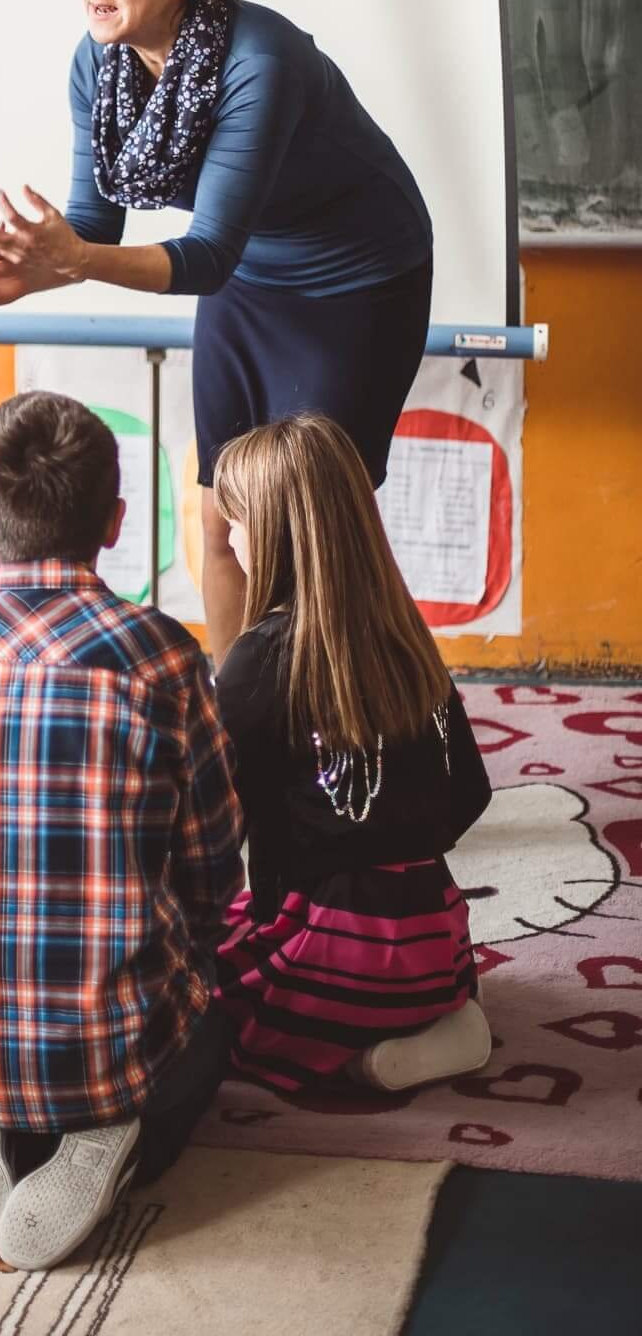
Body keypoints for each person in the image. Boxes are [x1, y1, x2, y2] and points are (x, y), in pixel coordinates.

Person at [0, 0, 434, 667]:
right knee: (217, 516)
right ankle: (236, 722)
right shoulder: (98, 62)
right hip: (250, 281)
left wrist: (75, 259)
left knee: (312, 534)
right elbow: (97, 220)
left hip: (356, 282)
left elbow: (204, 255)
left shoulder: (259, 62)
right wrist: (45, 264)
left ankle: (368, 715)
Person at [0, 392, 243, 1272]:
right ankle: (107, 1130)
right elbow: (213, 869)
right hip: (114, 1045)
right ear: (115, 522)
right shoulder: (163, 656)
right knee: (223, 1013)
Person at [210, 413, 493, 1094]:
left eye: (237, 521)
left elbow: (216, 822)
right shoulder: (409, 640)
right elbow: (470, 795)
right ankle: (436, 1032)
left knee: (196, 1000)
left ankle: (355, 1052)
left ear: (274, 532)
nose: (229, 538)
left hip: (326, 948)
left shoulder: (257, 660)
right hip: (432, 940)